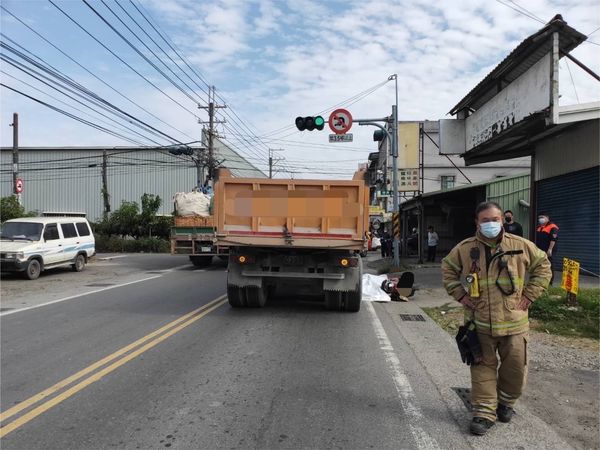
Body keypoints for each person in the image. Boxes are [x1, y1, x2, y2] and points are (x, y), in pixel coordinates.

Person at [441, 201, 551, 436]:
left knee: (515, 371)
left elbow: (543, 266)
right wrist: (460, 295)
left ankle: (506, 403)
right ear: (477, 223)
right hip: (479, 322)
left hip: (515, 322)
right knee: (482, 368)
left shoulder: (521, 245)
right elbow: (448, 268)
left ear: (502, 220)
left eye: (495, 219)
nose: (490, 224)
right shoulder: (465, 248)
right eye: (485, 220)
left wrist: (529, 296)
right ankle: (483, 412)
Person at [535, 213, 559, 285]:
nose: (540, 219)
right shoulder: (540, 227)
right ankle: (542, 279)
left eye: (542, 217)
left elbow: (553, 239)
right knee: (542, 265)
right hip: (541, 250)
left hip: (549, 250)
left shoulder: (553, 227)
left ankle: (550, 282)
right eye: (539, 217)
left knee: (549, 265)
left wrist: (550, 249)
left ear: (547, 218)